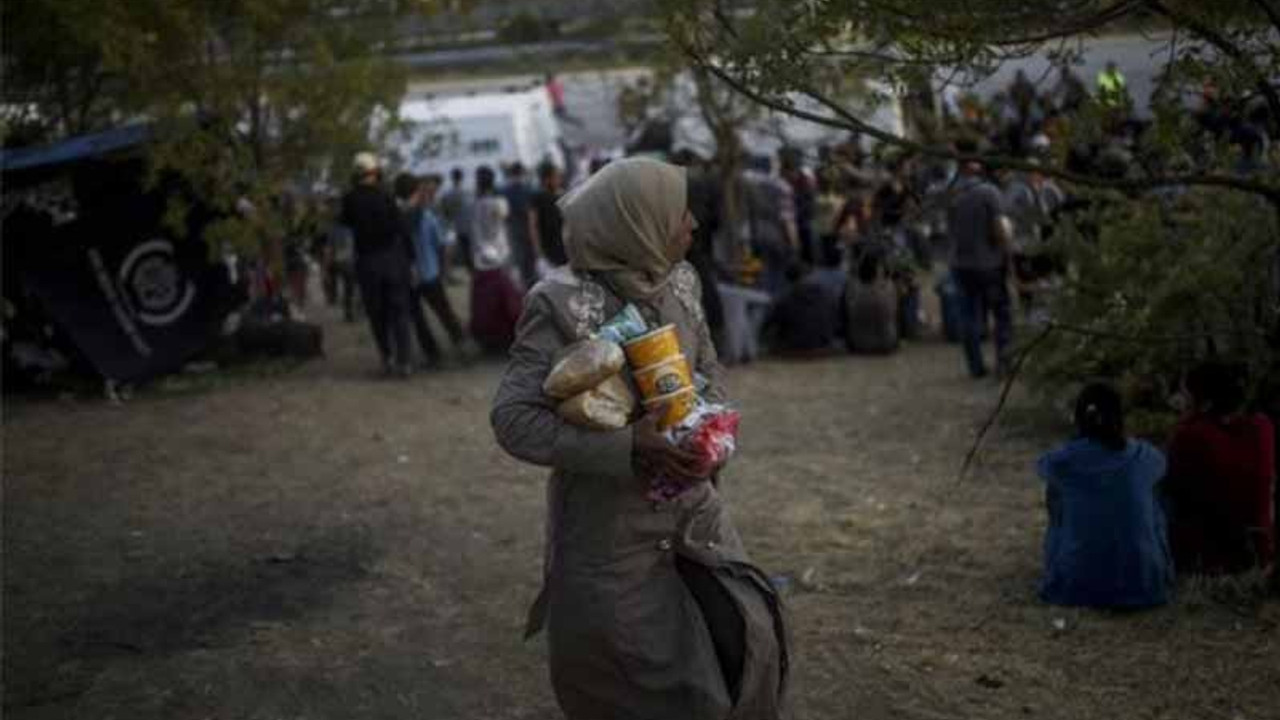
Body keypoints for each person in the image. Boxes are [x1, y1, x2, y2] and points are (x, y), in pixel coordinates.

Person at [490, 157, 788, 720]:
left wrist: (708, 438)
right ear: (637, 222)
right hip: (610, 539)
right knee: (635, 684)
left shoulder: (681, 280)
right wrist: (630, 445)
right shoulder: (557, 302)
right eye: (680, 214)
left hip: (698, 521)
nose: (693, 225)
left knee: (742, 652)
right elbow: (513, 420)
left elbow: (710, 374)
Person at [1036, 383, 1173, 608]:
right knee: (1153, 497)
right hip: (1145, 586)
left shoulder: (1064, 461)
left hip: (1076, 587)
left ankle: (1070, 560)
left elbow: (1048, 478)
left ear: (1078, 418)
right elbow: (1161, 468)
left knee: (1058, 496)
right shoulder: (1145, 455)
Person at [1166, 362, 1276, 575]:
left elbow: (1176, 489)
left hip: (1212, 561)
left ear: (1205, 402)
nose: (1181, 402)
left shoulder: (1190, 436)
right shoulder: (1263, 426)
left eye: (1186, 395)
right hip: (1259, 552)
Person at [342, 152, 414, 377]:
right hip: (393, 260)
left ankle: (387, 358)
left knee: (377, 313)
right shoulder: (387, 196)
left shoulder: (350, 199)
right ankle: (405, 362)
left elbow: (344, 225)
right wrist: (411, 259)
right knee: (399, 312)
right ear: (376, 172)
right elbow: (402, 229)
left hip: (367, 262)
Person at [947, 138, 1013, 378]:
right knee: (1001, 313)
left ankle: (975, 366)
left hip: (960, 263)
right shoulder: (989, 192)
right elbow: (1000, 228)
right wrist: (1008, 254)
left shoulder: (951, 191)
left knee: (969, 317)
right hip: (989, 264)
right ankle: (1004, 362)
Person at [469, 166, 523, 354]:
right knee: (507, 301)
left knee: (486, 302)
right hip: (501, 256)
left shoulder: (475, 204)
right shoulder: (499, 202)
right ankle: (510, 338)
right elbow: (504, 217)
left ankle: (489, 339)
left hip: (481, 259)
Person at [765, 262, 840, 355]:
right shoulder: (825, 293)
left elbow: (770, 323)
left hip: (794, 346)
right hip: (823, 345)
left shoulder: (784, 299)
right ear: (806, 275)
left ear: (787, 279)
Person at [844, 241, 899, 354]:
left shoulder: (852, 288)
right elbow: (894, 313)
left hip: (858, 344)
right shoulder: (889, 287)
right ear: (879, 271)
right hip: (887, 343)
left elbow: (846, 313)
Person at [502, 162, 537, 291]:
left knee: (520, 259)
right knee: (531, 258)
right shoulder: (529, 188)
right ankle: (533, 285)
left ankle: (526, 287)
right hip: (528, 225)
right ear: (522, 173)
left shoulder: (505, 190)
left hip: (513, 227)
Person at [529, 161, 569, 273]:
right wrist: (538, 251)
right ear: (547, 179)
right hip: (550, 246)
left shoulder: (563, 194)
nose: (559, 179)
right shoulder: (537, 198)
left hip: (564, 244)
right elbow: (533, 225)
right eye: (556, 176)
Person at [437, 167, 474, 277]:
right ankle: (472, 273)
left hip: (454, 226)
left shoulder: (447, 194)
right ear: (462, 178)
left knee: (454, 253)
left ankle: (450, 273)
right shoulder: (468, 192)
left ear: (452, 178)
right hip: (468, 227)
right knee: (470, 252)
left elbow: (444, 211)